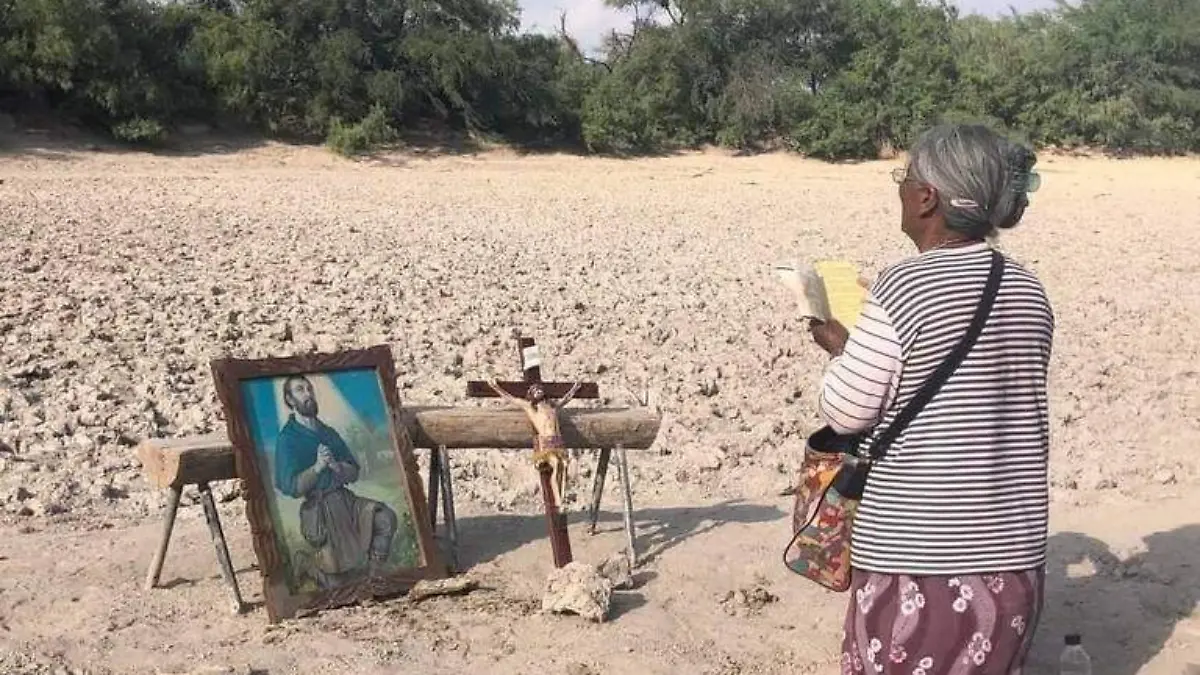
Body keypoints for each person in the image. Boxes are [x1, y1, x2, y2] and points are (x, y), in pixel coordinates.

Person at [807, 123, 1053, 673]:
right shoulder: (1028, 288)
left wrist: (840, 352)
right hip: (1015, 555)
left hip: (920, 556)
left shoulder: (903, 286)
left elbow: (847, 410)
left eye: (905, 176)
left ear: (926, 199)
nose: (900, 187)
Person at [273, 374, 399, 589]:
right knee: (337, 585)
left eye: (309, 389)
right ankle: (307, 564)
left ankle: (373, 575)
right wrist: (317, 468)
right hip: (320, 510)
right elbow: (291, 486)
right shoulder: (287, 439)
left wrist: (336, 467)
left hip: (346, 501)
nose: (308, 394)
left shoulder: (328, 433)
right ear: (290, 400)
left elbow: (354, 471)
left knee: (385, 518)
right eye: (300, 390)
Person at [485, 379, 583, 508]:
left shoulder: (551, 407)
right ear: (531, 394)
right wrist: (496, 387)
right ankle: (558, 500)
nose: (538, 391)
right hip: (546, 443)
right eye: (535, 390)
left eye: (539, 389)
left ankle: (563, 496)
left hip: (557, 442)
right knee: (556, 464)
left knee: (563, 468)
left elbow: (566, 399)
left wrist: (575, 388)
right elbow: (511, 399)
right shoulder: (531, 408)